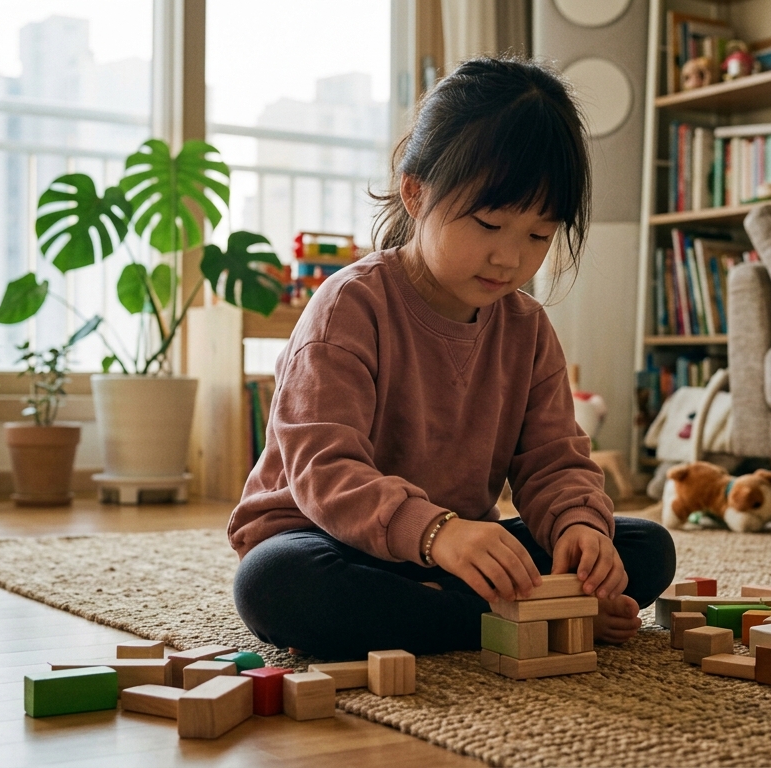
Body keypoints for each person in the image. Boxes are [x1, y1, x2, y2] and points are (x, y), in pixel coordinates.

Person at [227, 56, 675, 660]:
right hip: (326, 537)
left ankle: (496, 608)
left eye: (539, 236)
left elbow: (552, 461)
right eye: (489, 223)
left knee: (645, 548)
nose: (509, 260)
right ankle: (524, 618)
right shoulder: (348, 308)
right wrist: (437, 532)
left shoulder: (526, 327)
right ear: (415, 191)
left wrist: (580, 529)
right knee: (272, 584)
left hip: (457, 551)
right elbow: (324, 473)